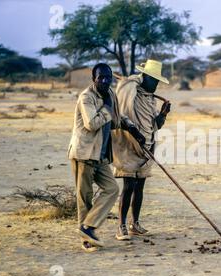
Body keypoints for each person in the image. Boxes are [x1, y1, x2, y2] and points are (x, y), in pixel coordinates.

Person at [68, 63, 145, 252]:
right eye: (100, 77)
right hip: (83, 154)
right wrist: (107, 110)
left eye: (107, 77)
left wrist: (132, 128)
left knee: (111, 189)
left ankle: (88, 227)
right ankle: (87, 237)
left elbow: (116, 120)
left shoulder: (110, 95)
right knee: (84, 198)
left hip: (101, 156)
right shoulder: (86, 97)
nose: (104, 81)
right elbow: (92, 123)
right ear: (93, 79)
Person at [112, 59, 171, 240]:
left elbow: (156, 126)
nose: (156, 84)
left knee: (140, 187)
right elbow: (120, 111)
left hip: (147, 149)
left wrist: (163, 113)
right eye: (153, 80)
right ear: (144, 77)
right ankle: (121, 226)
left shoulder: (150, 99)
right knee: (128, 186)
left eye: (157, 81)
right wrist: (132, 81)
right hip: (129, 146)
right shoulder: (132, 92)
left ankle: (134, 223)